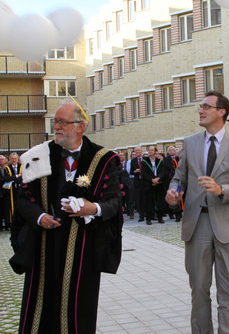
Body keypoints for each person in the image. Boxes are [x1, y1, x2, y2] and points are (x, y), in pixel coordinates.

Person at [9, 101, 123, 334]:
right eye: (55, 122)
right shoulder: (38, 155)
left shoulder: (104, 159)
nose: (57, 127)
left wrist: (93, 209)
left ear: (80, 126)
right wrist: (39, 216)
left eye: (63, 122)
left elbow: (114, 201)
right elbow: (23, 198)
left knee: (77, 313)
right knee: (41, 310)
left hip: (84, 251)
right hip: (44, 247)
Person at [165, 91, 229, 334]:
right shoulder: (190, 143)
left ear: (221, 112)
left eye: (206, 106)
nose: (200, 110)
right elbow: (178, 178)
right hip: (197, 226)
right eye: (200, 107)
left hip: (227, 227)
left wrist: (221, 189)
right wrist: (173, 192)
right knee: (199, 291)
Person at [141, 145, 163, 225]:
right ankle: (149, 219)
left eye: (152, 150)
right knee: (149, 202)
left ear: (155, 151)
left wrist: (158, 178)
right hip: (148, 185)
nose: (150, 151)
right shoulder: (144, 162)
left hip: (158, 184)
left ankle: (160, 218)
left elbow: (162, 172)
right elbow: (143, 173)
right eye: (149, 150)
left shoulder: (159, 161)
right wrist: (151, 179)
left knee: (159, 202)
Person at [130, 145, 145, 221]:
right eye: (136, 151)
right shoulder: (133, 161)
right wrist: (135, 171)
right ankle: (141, 215)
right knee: (138, 200)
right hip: (137, 182)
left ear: (141, 151)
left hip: (145, 182)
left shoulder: (146, 159)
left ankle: (148, 214)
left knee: (145, 199)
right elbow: (131, 172)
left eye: (139, 150)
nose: (138, 152)